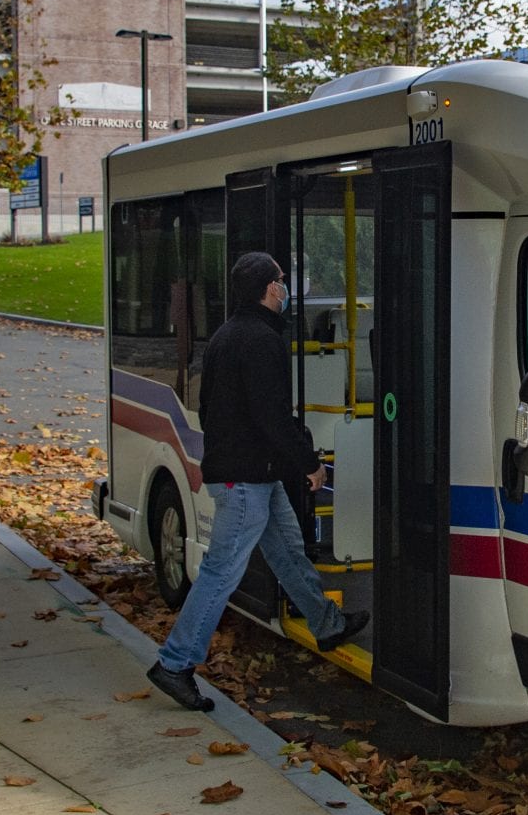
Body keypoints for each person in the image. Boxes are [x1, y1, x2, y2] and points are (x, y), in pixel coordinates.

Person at [147, 251, 368, 712]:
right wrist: (308, 463)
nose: (288, 288)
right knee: (221, 572)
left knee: (288, 551)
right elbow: (272, 416)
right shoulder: (263, 342)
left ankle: (326, 624)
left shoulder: (225, 338)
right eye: (284, 281)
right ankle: (175, 663)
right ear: (270, 288)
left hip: (248, 475)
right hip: (247, 482)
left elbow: (210, 409)